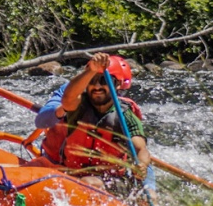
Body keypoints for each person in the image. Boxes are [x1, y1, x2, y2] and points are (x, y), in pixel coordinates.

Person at [28, 53, 152, 191]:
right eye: (92, 80)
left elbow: (141, 149)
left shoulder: (125, 115)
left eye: (104, 80)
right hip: (71, 172)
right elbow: (68, 99)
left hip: (110, 180)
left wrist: (142, 165)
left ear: (117, 85)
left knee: (89, 182)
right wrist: (91, 70)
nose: (97, 86)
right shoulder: (79, 106)